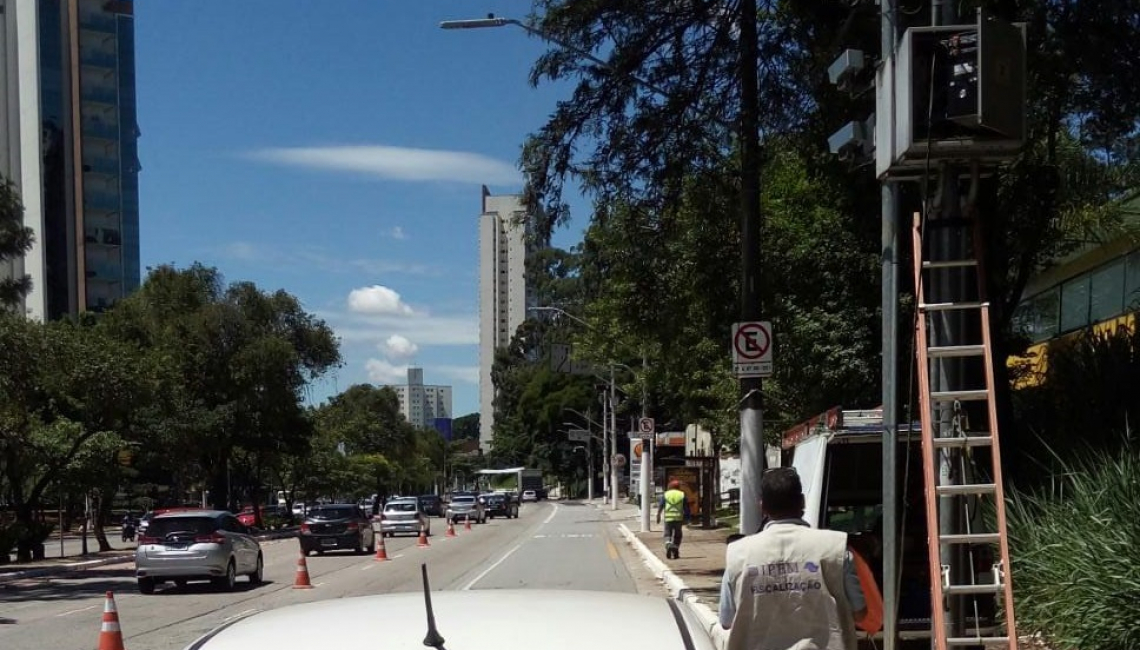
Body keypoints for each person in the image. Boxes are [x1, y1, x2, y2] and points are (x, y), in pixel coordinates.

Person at [718, 468, 867, 650]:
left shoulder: (738, 554)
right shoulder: (836, 548)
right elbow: (859, 613)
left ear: (762, 507)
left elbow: (726, 620)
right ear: (802, 502)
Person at [655, 479, 690, 559]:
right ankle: (676, 549)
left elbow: (661, 505)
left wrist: (658, 515)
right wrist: (687, 518)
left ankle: (669, 545)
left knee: (667, 534)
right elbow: (686, 508)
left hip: (668, 518)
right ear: (678, 487)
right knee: (678, 535)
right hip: (678, 518)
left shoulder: (666, 494)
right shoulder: (682, 494)